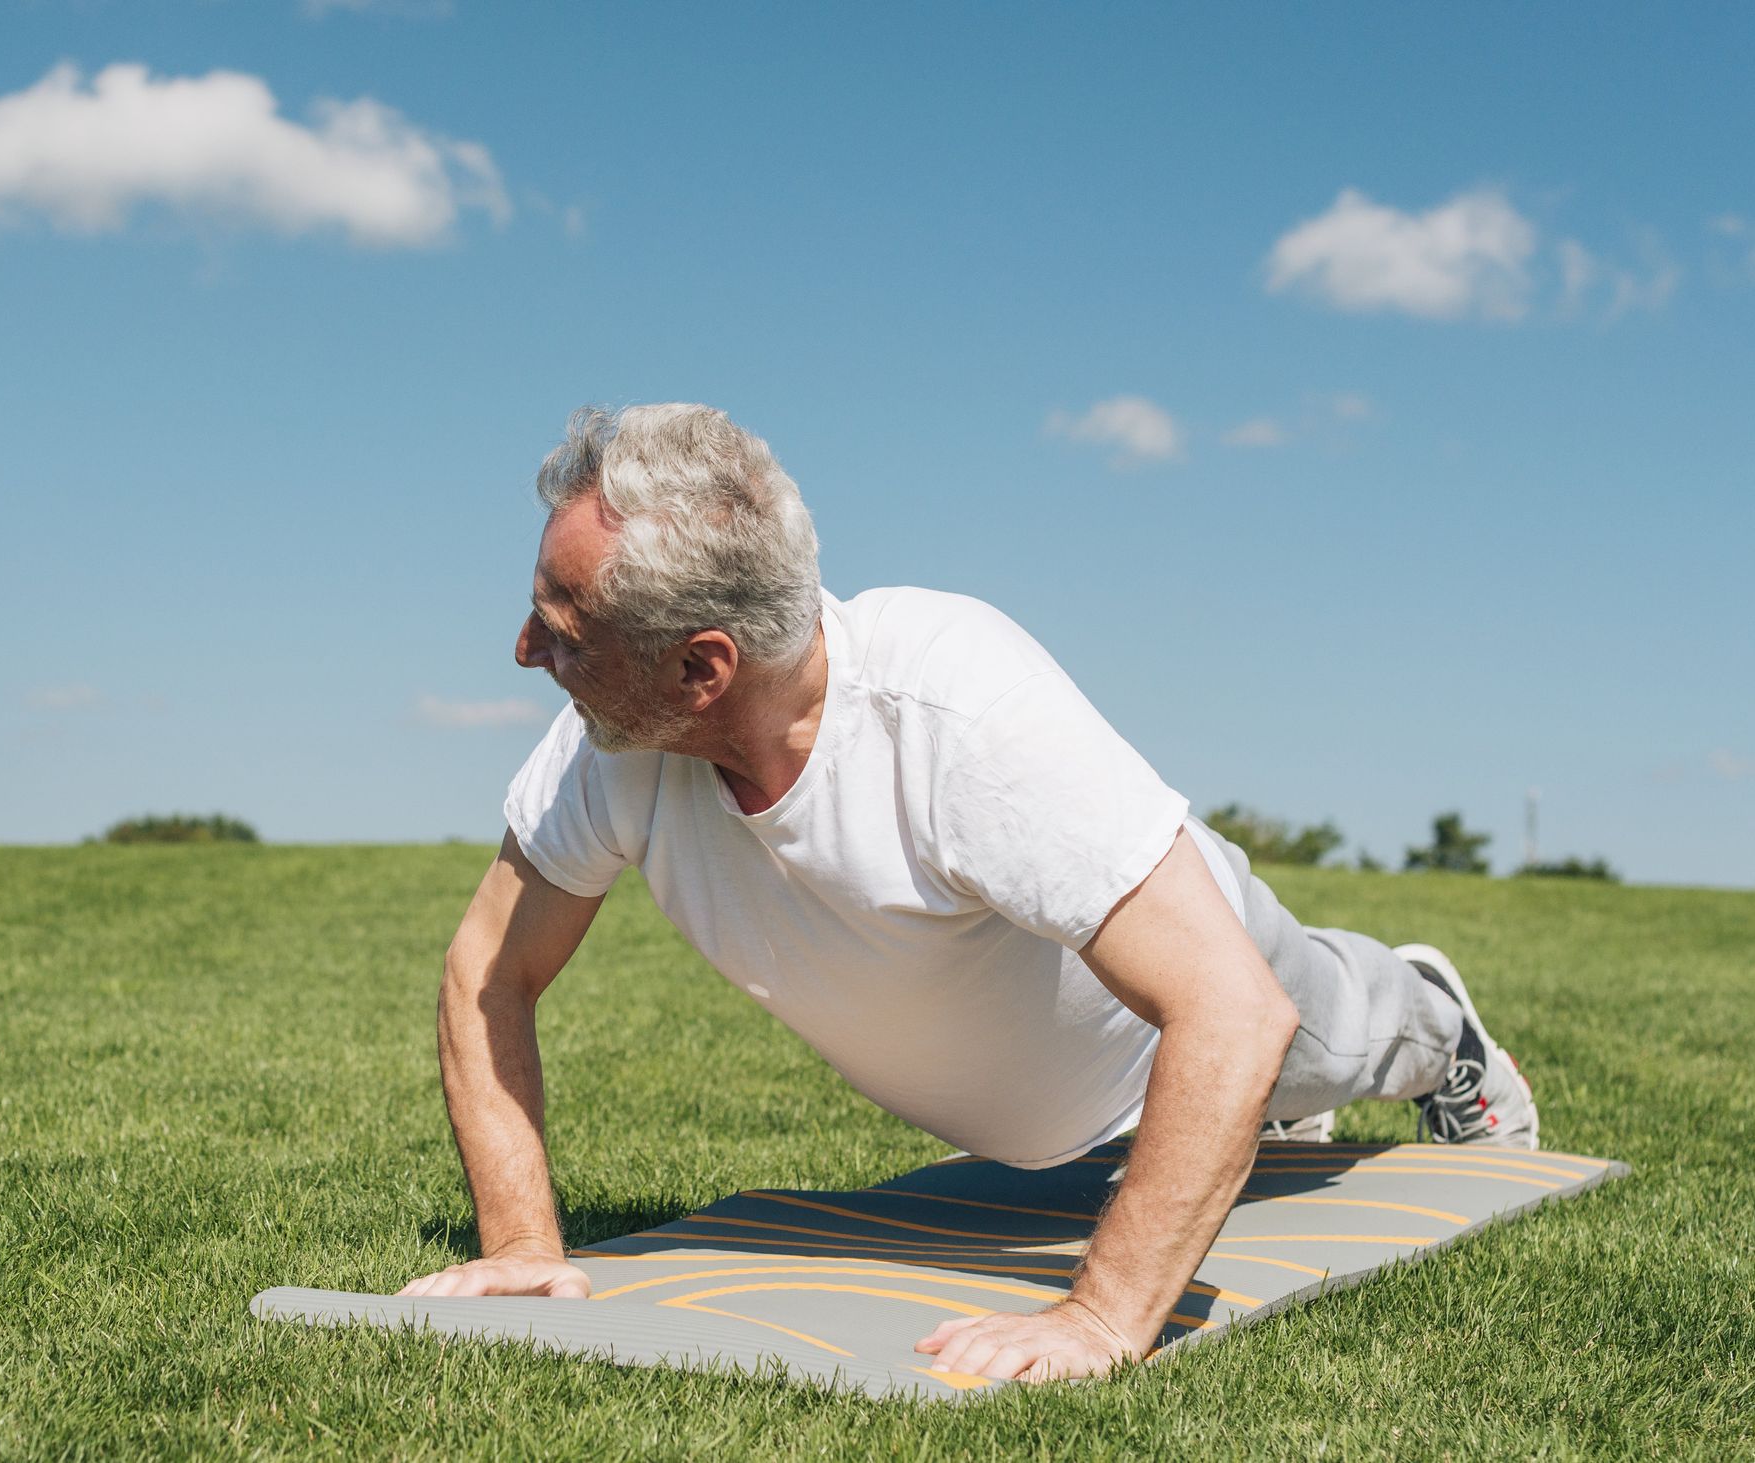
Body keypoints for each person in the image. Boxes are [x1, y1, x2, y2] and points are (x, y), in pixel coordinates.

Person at [397, 403, 1537, 1383]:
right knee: (1252, 1062)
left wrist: (1099, 1317)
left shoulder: (954, 713)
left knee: (1340, 1027)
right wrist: (518, 1243)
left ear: (702, 667)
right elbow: (485, 974)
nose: (520, 653)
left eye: (560, 632)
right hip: (1041, 1101)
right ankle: (1279, 1111)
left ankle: (1445, 1028)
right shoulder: (608, 750)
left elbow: (1233, 1012)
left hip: (1173, 1018)